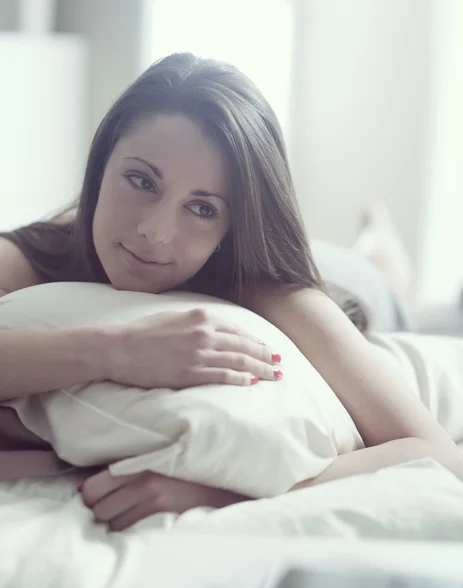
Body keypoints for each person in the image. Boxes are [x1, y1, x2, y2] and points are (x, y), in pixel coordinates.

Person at [0, 53, 461, 532]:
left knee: (383, 279)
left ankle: (384, 248)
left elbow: (438, 456)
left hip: (351, 287)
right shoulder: (40, 250)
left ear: (233, 224)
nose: (153, 231)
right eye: (141, 181)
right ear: (100, 169)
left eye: (201, 209)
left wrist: (219, 493)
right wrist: (115, 351)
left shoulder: (276, 293)